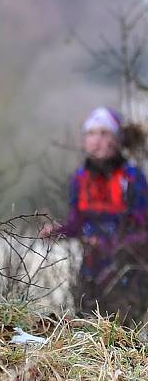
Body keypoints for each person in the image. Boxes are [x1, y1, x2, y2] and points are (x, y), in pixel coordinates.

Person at [41, 107, 148, 325]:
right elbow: (77, 222)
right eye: (90, 134)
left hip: (128, 274)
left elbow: (143, 231)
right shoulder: (80, 179)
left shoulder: (132, 178)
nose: (96, 141)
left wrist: (112, 246)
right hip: (90, 271)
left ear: (117, 140)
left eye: (104, 133)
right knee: (86, 331)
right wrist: (57, 231)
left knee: (124, 338)